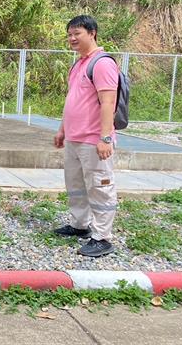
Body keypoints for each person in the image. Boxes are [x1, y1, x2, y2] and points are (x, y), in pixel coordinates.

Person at [53, 15, 119, 257]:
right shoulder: (79, 64)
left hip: (93, 140)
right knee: (76, 185)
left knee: (100, 187)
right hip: (74, 138)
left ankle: (102, 236)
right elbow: (72, 101)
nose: (72, 38)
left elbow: (108, 101)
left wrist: (105, 138)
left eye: (77, 33)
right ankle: (80, 225)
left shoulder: (102, 64)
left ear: (92, 33)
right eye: (69, 34)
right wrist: (62, 130)